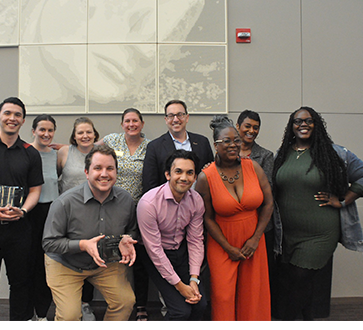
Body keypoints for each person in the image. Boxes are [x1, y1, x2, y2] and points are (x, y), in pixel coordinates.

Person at [271, 106, 363, 320]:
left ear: (316, 124)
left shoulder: (334, 153)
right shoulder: (281, 155)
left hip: (319, 234)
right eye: (297, 121)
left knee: (300, 279)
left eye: (308, 121)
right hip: (287, 236)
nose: (303, 124)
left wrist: (343, 200)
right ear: (291, 127)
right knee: (299, 283)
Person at [42, 145, 140, 321]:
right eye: (98, 168)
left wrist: (128, 239)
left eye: (110, 168)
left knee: (125, 302)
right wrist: (83, 244)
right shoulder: (65, 202)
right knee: (70, 316)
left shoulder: (125, 200)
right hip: (65, 263)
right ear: (86, 172)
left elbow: (132, 229)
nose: (104, 174)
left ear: (116, 172)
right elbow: (49, 243)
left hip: (105, 263)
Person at [0, 97, 44, 321]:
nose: (12, 118)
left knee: (21, 283)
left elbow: (35, 190)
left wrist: (23, 211)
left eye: (17, 115)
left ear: (23, 121)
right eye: (8, 113)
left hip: (19, 229)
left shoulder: (30, 152)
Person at [194, 115, 274, 321]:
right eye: (226, 141)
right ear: (215, 145)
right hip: (222, 244)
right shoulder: (205, 177)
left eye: (236, 140)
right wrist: (228, 247)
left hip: (254, 242)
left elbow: (268, 204)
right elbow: (207, 218)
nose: (233, 145)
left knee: (253, 295)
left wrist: (256, 238)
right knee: (223, 297)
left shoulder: (253, 167)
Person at [136, 150, 209, 321]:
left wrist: (193, 279)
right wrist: (180, 286)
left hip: (180, 250)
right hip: (154, 253)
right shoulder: (148, 204)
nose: (184, 178)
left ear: (195, 176)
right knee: (180, 311)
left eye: (190, 173)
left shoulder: (196, 200)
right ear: (168, 174)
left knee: (201, 305)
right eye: (178, 172)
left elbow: (195, 240)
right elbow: (154, 250)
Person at [99, 108, 154, 320]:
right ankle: (115, 304)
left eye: (135, 121)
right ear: (122, 124)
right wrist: (63, 148)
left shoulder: (150, 146)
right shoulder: (112, 141)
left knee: (138, 261)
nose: (131, 124)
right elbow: (88, 149)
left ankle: (140, 305)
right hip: (112, 208)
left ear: (142, 123)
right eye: (127, 121)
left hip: (140, 211)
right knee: (112, 256)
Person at [236, 109, 281, 317]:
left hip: (259, 227)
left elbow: (267, 197)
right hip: (231, 225)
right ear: (238, 127)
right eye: (247, 126)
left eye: (256, 127)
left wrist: (256, 236)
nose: (251, 131)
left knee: (257, 281)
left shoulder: (265, 156)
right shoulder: (225, 150)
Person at [55, 116, 100, 320]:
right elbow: (56, 177)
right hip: (68, 214)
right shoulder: (65, 152)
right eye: (80, 132)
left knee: (92, 257)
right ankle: (68, 304)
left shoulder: (100, 152)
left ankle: (85, 304)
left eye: (88, 132)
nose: (85, 135)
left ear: (94, 134)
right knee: (70, 256)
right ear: (74, 136)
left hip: (95, 213)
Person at [141, 100, 214, 194]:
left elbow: (210, 175)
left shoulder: (202, 142)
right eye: (171, 116)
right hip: (166, 203)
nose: (176, 119)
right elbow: (149, 183)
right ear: (166, 119)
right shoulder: (155, 147)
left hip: (198, 202)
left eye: (180, 115)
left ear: (187, 117)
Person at [28, 114, 59, 321]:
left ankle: (42, 314)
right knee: (29, 264)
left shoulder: (58, 155)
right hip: (29, 213)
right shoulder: (25, 152)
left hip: (52, 213)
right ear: (33, 131)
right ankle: (27, 313)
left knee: (48, 264)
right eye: (42, 130)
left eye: (50, 130)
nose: (46, 134)